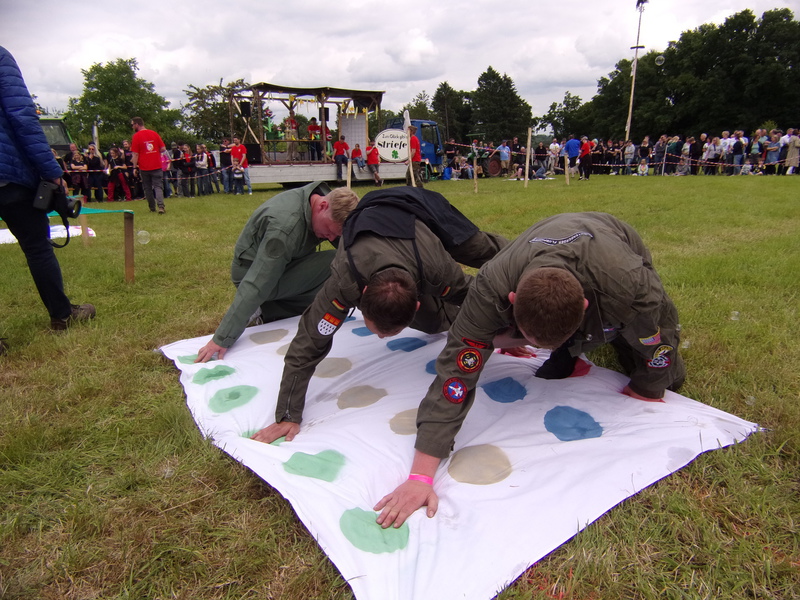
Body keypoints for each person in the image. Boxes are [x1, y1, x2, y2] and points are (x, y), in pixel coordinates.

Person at [373, 211, 685, 529]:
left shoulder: (630, 282)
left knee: (668, 377)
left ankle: (592, 340)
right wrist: (420, 476)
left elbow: (660, 333)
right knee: (553, 363)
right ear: (511, 300)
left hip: (611, 240)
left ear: (584, 306)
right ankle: (568, 350)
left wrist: (648, 387)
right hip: (553, 267)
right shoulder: (490, 288)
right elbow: (455, 374)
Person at [250, 187, 509, 444]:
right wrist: (287, 414)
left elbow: (479, 297)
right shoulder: (343, 283)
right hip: (376, 218)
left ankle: (530, 256)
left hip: (417, 206)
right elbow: (307, 343)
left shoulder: (440, 272)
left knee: (483, 251)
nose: (383, 338)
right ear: (362, 294)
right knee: (433, 323)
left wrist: (504, 327)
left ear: (416, 303)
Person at [195, 183, 359, 363]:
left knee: (343, 266)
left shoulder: (324, 201)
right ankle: (261, 306)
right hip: (250, 273)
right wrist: (221, 338)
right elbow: (258, 281)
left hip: (285, 264)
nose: (331, 238)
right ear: (322, 206)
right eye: (328, 231)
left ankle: (270, 309)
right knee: (336, 262)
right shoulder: (284, 229)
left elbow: (352, 247)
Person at [0, 45, 95, 340]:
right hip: (9, 176)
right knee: (37, 247)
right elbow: (23, 118)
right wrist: (52, 171)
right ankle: (62, 314)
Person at [130, 116, 167, 213]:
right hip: (157, 165)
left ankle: (152, 208)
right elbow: (163, 148)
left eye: (132, 125)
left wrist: (134, 167)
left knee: (147, 188)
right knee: (158, 186)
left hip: (144, 167)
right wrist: (155, 153)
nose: (132, 127)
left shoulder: (136, 136)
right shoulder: (154, 133)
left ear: (137, 124)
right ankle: (161, 206)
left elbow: (135, 154)